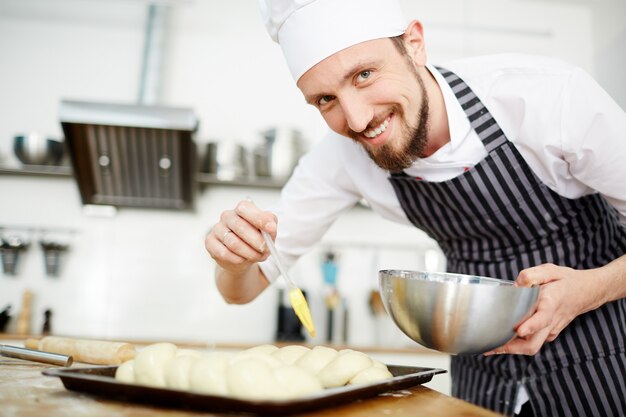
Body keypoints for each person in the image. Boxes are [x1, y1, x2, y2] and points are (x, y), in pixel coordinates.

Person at [205, 0, 626, 416]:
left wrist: (589, 289)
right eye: (325, 100)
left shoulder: (547, 97)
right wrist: (235, 260)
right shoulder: (340, 159)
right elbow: (241, 290)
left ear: (415, 43)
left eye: (364, 75)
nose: (356, 120)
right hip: (481, 379)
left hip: (607, 356)